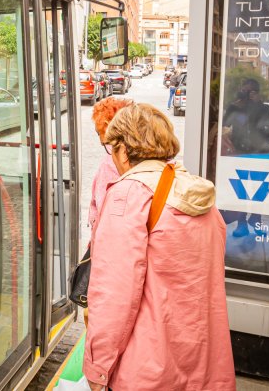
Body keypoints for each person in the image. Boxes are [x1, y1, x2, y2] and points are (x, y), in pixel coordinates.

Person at [84, 103, 236, 391]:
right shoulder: (198, 194)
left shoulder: (128, 195)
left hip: (145, 367)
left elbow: (113, 295)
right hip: (201, 363)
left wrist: (98, 368)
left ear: (124, 149)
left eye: (111, 148)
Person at [87, 96, 134, 228]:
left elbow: (103, 207)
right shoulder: (139, 154)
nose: (100, 140)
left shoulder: (111, 162)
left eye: (98, 132)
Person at [223, 78, 269, 154]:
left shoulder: (264, 108)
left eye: (249, 92)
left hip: (259, 152)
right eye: (243, 91)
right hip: (239, 150)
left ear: (256, 93)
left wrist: (258, 103)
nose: (245, 95)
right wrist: (236, 106)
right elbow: (224, 126)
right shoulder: (234, 108)